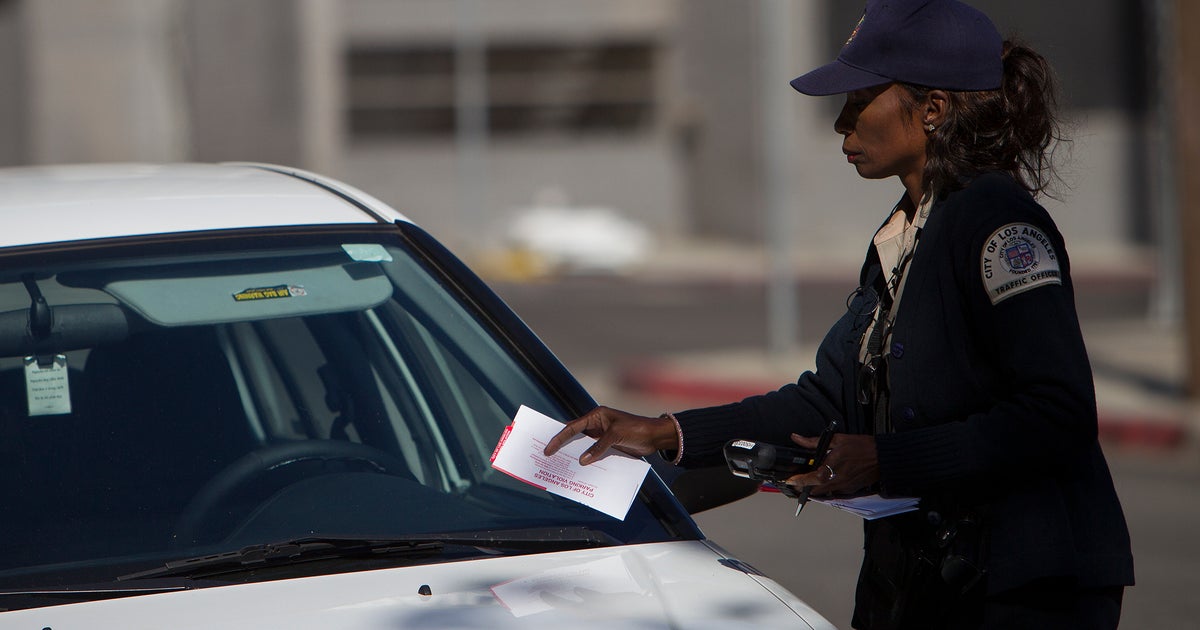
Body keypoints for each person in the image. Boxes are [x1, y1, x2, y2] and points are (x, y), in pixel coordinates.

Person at [543, 0, 1135, 627]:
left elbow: (1056, 413)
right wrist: (665, 433)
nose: (840, 127)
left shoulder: (1000, 226)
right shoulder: (908, 230)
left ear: (932, 110)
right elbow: (828, 400)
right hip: (927, 577)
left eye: (859, 104)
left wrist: (886, 460)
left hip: (1024, 587)